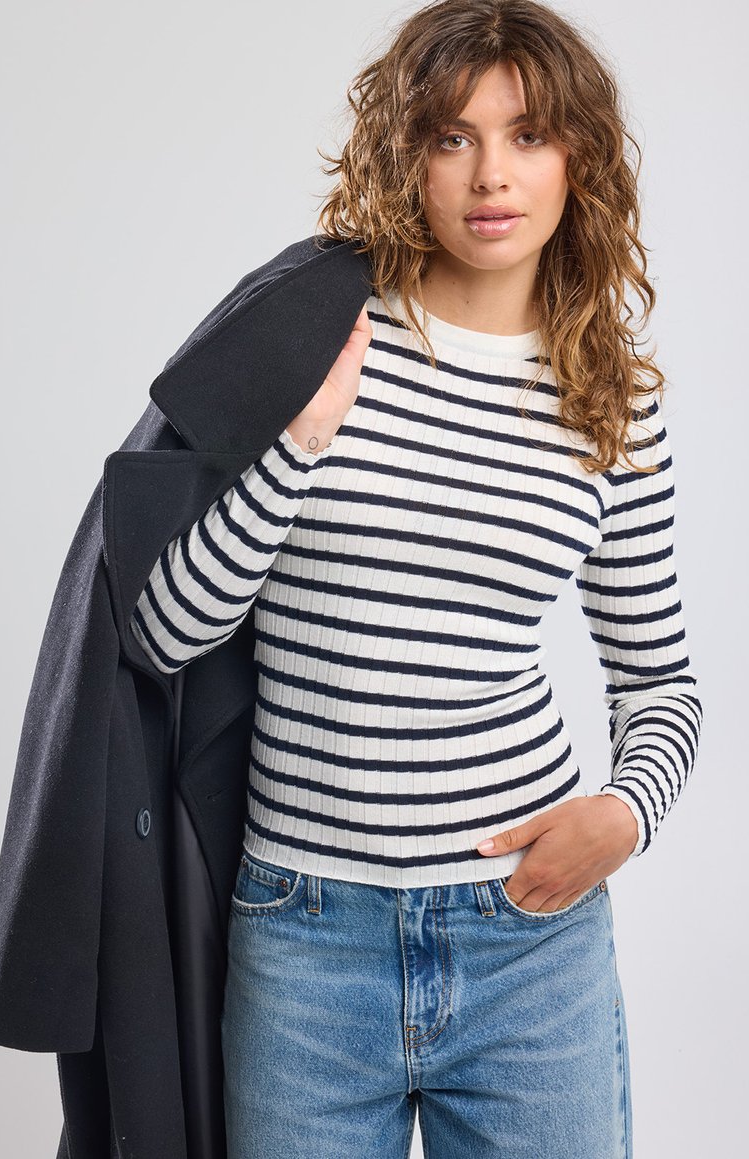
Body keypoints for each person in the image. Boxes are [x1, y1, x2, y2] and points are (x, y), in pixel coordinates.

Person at [128, 1, 703, 1155]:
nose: (490, 175)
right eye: (451, 137)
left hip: (527, 945)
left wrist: (622, 815)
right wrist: (300, 446)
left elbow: (660, 683)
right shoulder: (311, 335)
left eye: (528, 135)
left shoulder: (610, 400)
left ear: (577, 159)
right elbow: (162, 633)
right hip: (303, 942)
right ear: (406, 158)